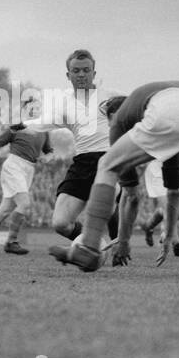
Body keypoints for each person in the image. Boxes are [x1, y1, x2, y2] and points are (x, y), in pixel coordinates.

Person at [50, 81, 179, 278]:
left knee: (106, 165)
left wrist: (124, 242)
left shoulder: (120, 120)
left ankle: (88, 248)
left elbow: (131, 195)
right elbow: (172, 191)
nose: (111, 130)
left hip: (173, 111)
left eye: (109, 125)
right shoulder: (157, 117)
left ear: (111, 117)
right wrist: (169, 234)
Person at [35, 49, 122, 242]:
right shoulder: (64, 105)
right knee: (60, 224)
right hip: (83, 163)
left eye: (86, 70)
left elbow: (140, 110)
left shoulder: (113, 97)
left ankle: (117, 240)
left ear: (94, 73)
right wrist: (17, 126)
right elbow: (40, 123)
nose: (81, 74)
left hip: (110, 160)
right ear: (68, 75)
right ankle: (93, 245)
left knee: (108, 202)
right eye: (76, 71)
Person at [0, 95, 52, 256]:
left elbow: (49, 152)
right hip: (14, 166)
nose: (36, 110)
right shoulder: (17, 127)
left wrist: (46, 158)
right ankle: (11, 242)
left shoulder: (44, 130)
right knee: (25, 204)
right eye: (32, 108)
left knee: (4, 211)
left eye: (38, 108)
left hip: (29, 170)